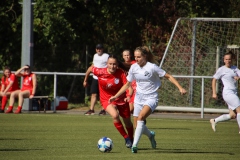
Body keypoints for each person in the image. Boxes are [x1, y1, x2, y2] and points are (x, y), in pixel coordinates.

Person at [109, 46, 186, 153]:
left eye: (139, 57)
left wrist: (180, 87)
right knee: (137, 126)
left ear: (145, 56)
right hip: (138, 98)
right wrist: (115, 96)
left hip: (151, 97)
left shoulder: (152, 67)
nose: (136, 59)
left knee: (140, 118)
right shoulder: (133, 67)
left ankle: (134, 146)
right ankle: (150, 135)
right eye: (135, 57)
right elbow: (127, 85)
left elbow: (168, 76)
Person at [87, 54, 134, 148]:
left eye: (114, 64)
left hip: (121, 99)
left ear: (117, 64)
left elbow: (129, 86)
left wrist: (129, 96)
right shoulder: (99, 71)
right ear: (106, 64)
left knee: (127, 122)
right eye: (110, 64)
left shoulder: (121, 73)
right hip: (106, 99)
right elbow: (90, 68)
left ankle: (131, 140)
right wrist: (85, 80)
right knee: (115, 115)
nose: (112, 66)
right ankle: (126, 138)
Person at [210, 51, 240, 133]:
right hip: (228, 93)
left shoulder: (235, 68)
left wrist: (238, 77)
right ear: (224, 60)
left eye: (229, 59)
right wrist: (214, 92)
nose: (228, 61)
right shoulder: (221, 69)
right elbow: (214, 80)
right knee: (239, 110)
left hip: (234, 93)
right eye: (226, 59)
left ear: (232, 60)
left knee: (232, 115)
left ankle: (214, 120)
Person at [83, 44, 109, 115]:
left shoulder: (106, 56)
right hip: (95, 78)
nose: (99, 50)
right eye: (97, 48)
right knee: (93, 94)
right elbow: (93, 65)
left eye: (100, 48)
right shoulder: (95, 56)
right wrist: (85, 79)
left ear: (103, 49)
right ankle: (91, 109)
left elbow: (109, 65)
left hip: (103, 78)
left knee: (103, 95)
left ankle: (103, 110)